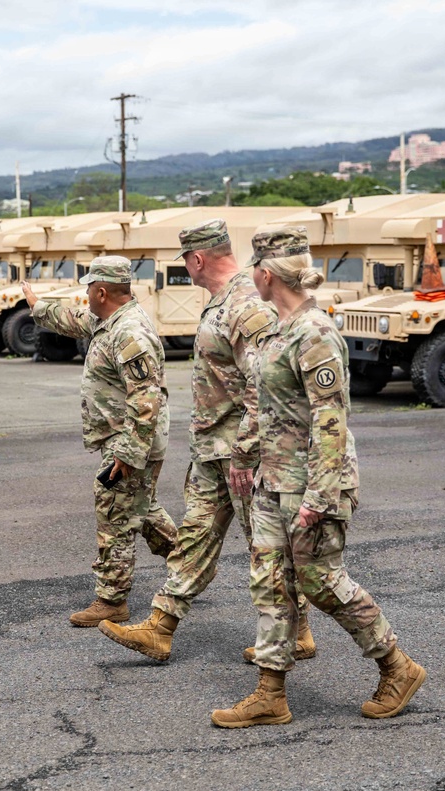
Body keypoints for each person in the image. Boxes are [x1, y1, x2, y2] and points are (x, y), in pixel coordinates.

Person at [211, 227, 426, 728]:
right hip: (273, 480)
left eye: (254, 269)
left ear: (267, 275)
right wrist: (245, 456)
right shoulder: (278, 329)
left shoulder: (316, 333)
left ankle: (397, 666)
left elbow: (332, 420)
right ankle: (270, 693)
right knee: (270, 583)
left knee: (322, 581)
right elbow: (268, 406)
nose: (251, 276)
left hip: (312, 483)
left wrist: (321, 496)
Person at [96, 219, 316, 663]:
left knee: (267, 549)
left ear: (197, 259)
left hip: (246, 456)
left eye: (186, 261)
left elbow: (265, 385)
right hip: (213, 452)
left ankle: (297, 632)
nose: (186, 268)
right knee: (194, 538)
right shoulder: (223, 300)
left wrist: (246, 452)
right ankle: (160, 626)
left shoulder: (246, 304)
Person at [22, 256, 177, 627]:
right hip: (125, 438)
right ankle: (190, 565)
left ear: (102, 291)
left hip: (131, 441)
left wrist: (128, 452)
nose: (86, 295)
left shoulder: (130, 332)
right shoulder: (108, 320)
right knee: (141, 508)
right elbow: (74, 320)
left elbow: (146, 397)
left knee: (114, 513)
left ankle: (112, 599)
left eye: (89, 288)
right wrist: (37, 305)